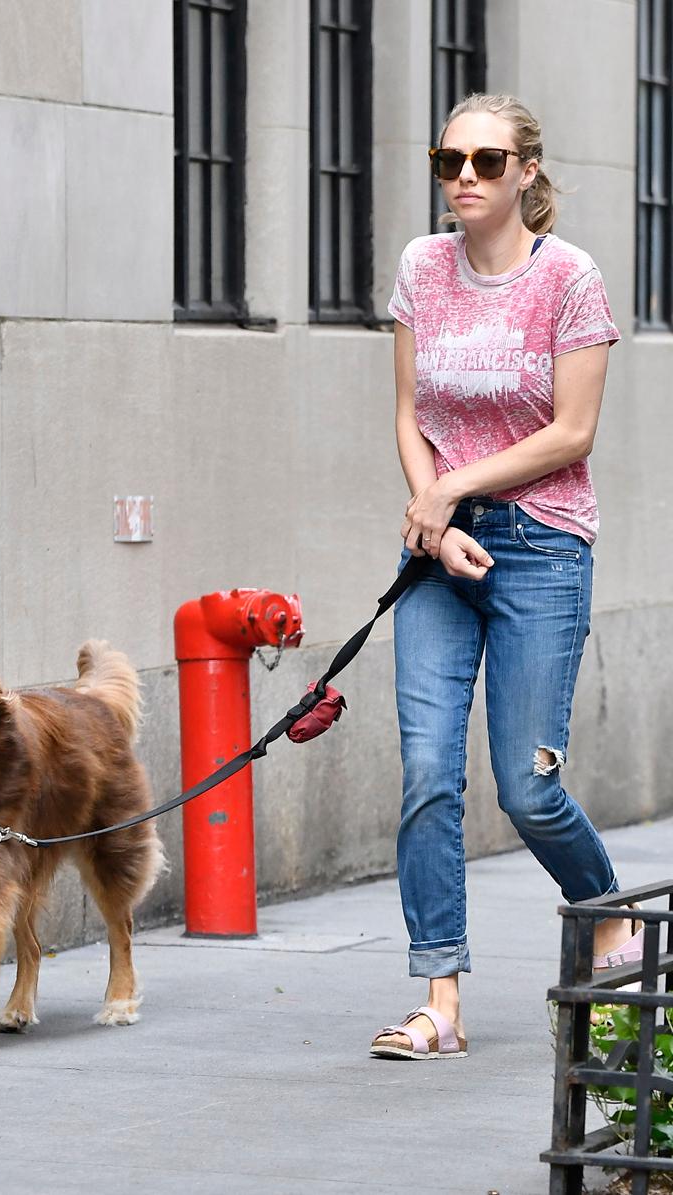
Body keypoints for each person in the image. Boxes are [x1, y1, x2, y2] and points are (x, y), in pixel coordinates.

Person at [370, 93, 640, 1062]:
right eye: (448, 162)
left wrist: (448, 490)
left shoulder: (568, 278)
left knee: (525, 790)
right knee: (425, 775)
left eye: (486, 162)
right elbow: (407, 411)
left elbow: (569, 433)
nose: (464, 181)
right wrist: (432, 518)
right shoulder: (418, 267)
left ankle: (609, 918)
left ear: (526, 171)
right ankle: (438, 997)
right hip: (436, 555)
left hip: (538, 545)